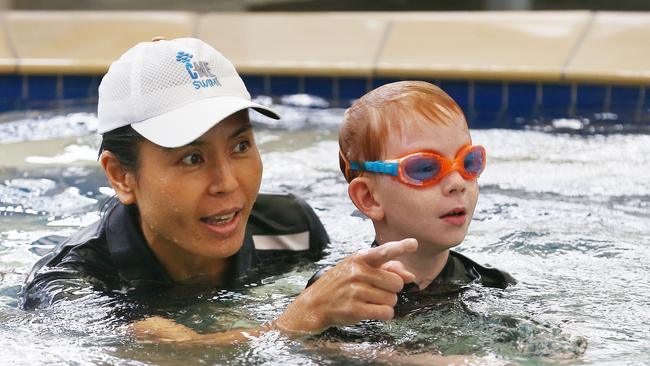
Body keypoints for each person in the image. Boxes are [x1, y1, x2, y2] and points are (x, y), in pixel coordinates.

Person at [19, 37, 419, 341]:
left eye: (240, 146)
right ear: (121, 175)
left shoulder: (288, 227)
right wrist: (298, 321)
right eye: (192, 158)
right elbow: (169, 355)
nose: (227, 183)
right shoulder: (70, 282)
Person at [308, 80, 516, 301]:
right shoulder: (336, 296)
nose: (457, 183)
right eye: (425, 168)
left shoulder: (495, 286)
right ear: (369, 198)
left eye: (469, 162)